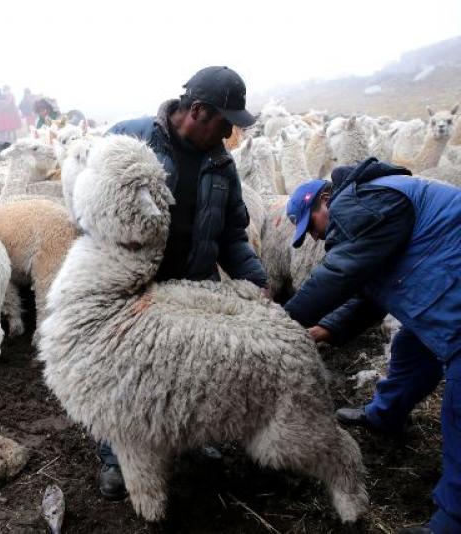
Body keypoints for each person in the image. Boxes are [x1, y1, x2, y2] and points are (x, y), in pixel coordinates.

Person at [97, 66, 268, 499]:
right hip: (133, 288)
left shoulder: (221, 165)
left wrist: (256, 281)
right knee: (125, 376)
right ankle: (119, 460)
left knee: (190, 376)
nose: (231, 132)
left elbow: (231, 233)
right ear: (197, 111)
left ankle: (187, 442)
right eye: (226, 122)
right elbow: (90, 212)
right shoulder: (130, 141)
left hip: (193, 286)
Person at [283, 159, 461, 534]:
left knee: (458, 411)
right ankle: (385, 414)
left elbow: (341, 273)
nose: (316, 240)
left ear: (324, 201)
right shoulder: (374, 211)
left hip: (453, 288)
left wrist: (279, 323)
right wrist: (325, 330)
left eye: (311, 228)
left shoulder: (357, 202)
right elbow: (369, 296)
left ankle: (451, 522)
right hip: (442, 281)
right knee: (413, 350)